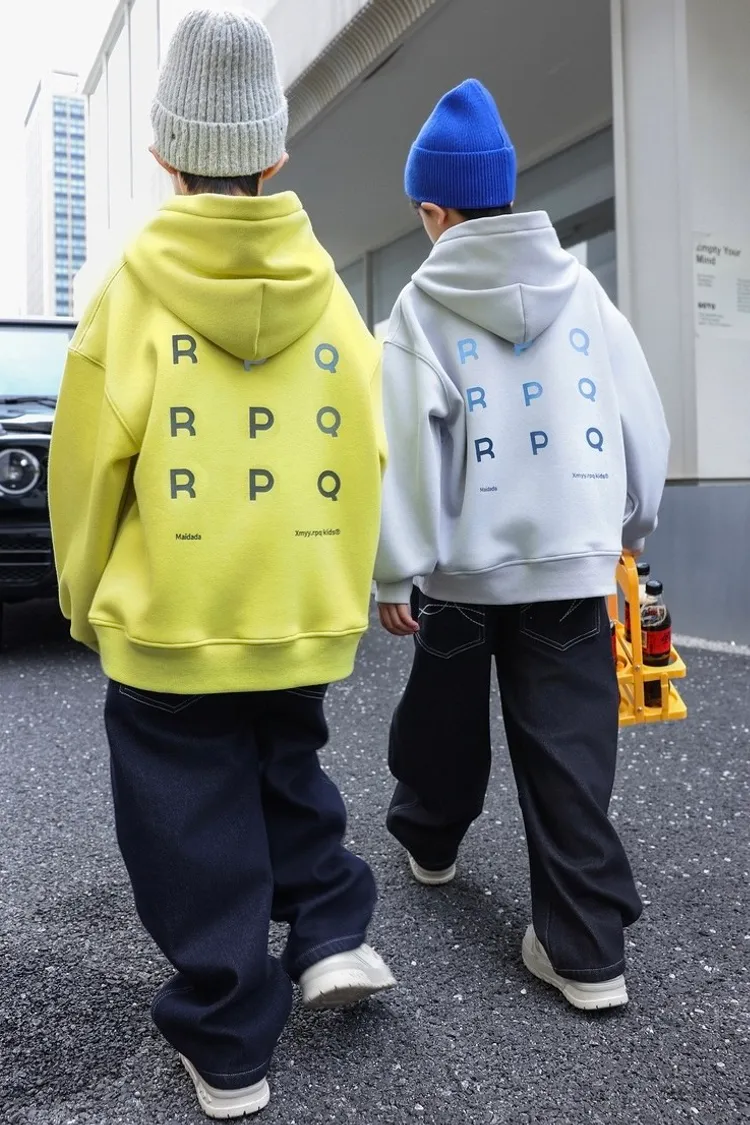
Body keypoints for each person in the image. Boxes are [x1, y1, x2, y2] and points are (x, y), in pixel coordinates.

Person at [49, 9, 393, 1118]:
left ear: (164, 154)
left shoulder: (129, 296)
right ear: (274, 157)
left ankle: (230, 1032)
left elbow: (85, 473)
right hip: (297, 609)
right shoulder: (333, 295)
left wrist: (84, 601)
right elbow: (371, 448)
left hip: (173, 619)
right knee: (288, 767)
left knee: (186, 820)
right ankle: (331, 932)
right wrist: (348, 585)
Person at [374, 79, 669, 1012]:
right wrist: (627, 526)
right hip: (570, 565)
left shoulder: (420, 306)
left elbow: (405, 444)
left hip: (462, 572)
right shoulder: (584, 290)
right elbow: (641, 421)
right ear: (505, 191)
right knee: (570, 748)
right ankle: (587, 953)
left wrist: (396, 567)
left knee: (442, 719)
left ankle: (430, 839)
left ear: (434, 210)